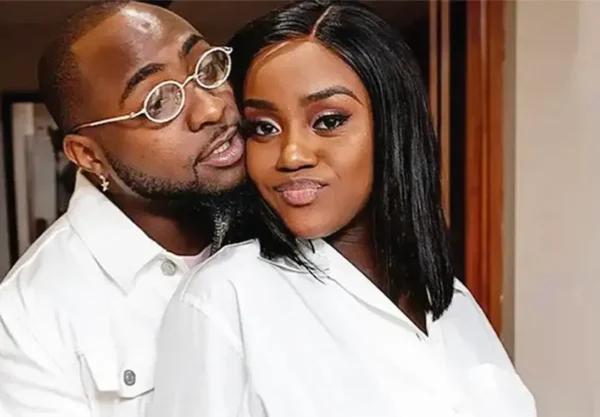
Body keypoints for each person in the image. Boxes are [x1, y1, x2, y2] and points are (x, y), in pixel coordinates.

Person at [149, 1, 537, 416]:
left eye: (329, 121)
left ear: (392, 126)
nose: (292, 155)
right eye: (264, 128)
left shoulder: (451, 301)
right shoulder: (225, 296)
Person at [0, 1, 246, 416]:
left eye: (206, 67)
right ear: (89, 156)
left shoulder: (284, 214)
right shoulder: (28, 320)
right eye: (159, 102)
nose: (212, 108)